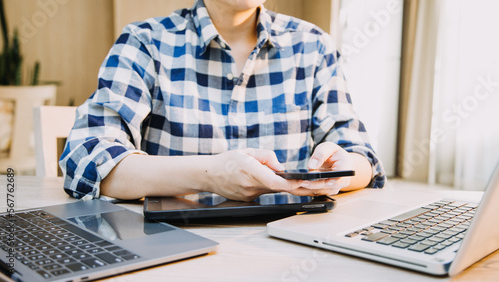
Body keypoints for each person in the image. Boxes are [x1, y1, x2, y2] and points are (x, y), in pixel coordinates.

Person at [60, 0, 385, 202]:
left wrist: (342, 170)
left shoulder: (313, 45)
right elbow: (87, 158)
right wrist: (209, 174)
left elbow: (361, 158)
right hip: (170, 254)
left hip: (291, 250)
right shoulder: (146, 42)